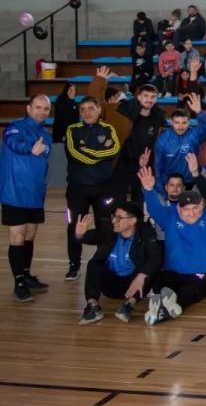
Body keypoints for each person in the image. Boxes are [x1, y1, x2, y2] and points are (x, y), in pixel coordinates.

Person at [139, 159, 206, 326]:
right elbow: (154, 209)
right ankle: (164, 305)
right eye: (186, 209)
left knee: (193, 290)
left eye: (195, 208)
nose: (191, 213)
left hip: (199, 275)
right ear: (178, 209)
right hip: (172, 273)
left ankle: (170, 306)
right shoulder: (169, 218)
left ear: (202, 207)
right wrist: (149, 190)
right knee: (161, 282)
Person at [63, 97, 122, 282]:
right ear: (79, 113)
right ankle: (74, 265)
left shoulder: (108, 129)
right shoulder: (72, 130)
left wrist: (88, 150)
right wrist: (99, 154)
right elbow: (76, 154)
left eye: (91, 108)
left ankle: (102, 261)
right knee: (74, 226)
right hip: (77, 187)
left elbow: (113, 151)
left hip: (104, 187)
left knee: (106, 226)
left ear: (98, 110)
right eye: (83, 109)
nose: (87, 112)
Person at [74, 201, 161, 324]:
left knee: (149, 270)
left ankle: (128, 306)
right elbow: (92, 236)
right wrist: (80, 234)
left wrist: (142, 275)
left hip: (133, 285)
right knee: (94, 264)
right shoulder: (109, 230)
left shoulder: (146, 233)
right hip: (110, 285)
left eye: (119, 218)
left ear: (132, 221)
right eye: (114, 216)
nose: (114, 220)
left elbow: (156, 257)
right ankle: (93, 307)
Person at [1, 94, 52, 302]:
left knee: (30, 236)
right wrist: (29, 148)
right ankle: (19, 282)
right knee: (17, 238)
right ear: (29, 108)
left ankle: (27, 274)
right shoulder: (15, 127)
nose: (41, 111)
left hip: (35, 194)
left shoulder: (46, 134)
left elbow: (43, 160)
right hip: (14, 193)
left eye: (46, 109)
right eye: (38, 107)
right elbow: (13, 142)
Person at [154, 94, 206, 189]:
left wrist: (199, 112)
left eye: (184, 123)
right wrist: (162, 189)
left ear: (189, 122)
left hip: (191, 181)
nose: (180, 127)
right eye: (177, 123)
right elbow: (158, 167)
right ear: (172, 123)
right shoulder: (163, 140)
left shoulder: (194, 134)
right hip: (171, 183)